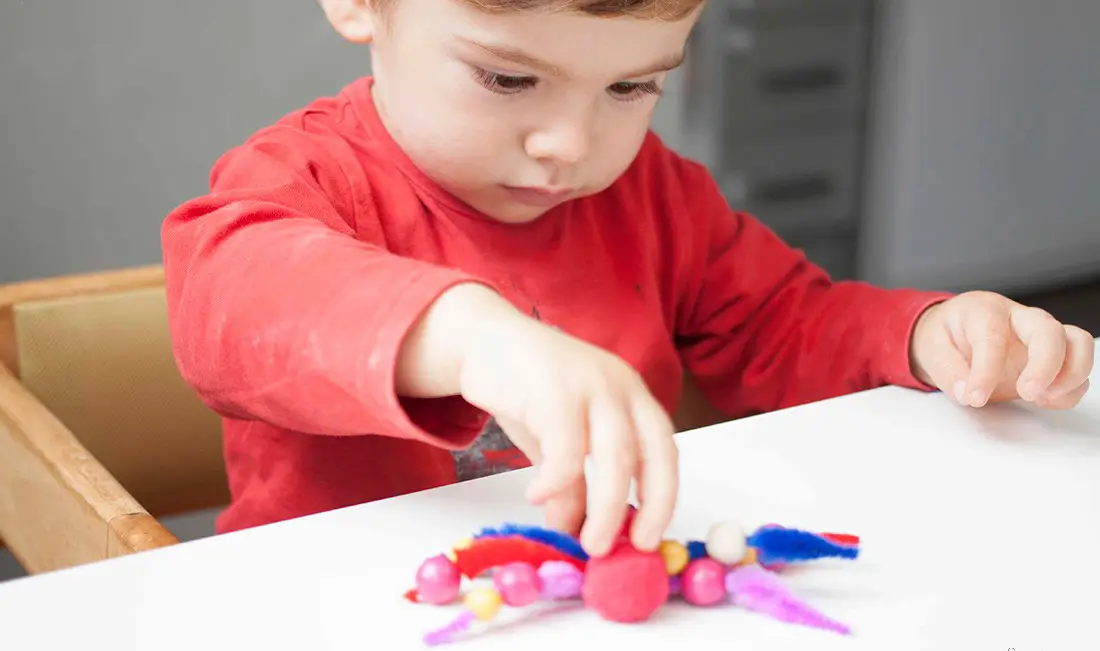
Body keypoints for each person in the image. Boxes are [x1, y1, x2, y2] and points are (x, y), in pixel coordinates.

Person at [160, 0, 1094, 558]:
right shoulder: (311, 182)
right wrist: (475, 337)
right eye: (507, 80)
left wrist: (928, 335)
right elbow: (227, 304)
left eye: (630, 88)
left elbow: (781, 325)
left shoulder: (656, 198)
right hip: (340, 621)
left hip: (597, 609)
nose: (571, 146)